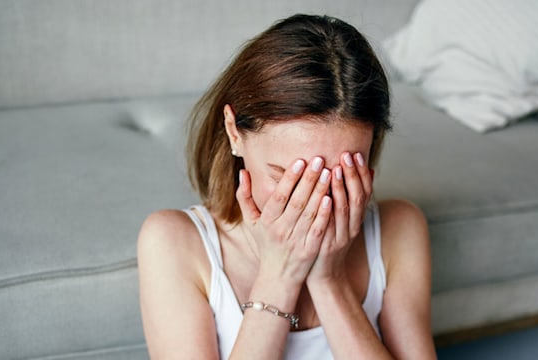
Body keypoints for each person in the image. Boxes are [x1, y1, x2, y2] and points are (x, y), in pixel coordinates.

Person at [137, 14, 436, 359]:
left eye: (338, 177)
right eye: (287, 177)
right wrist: (280, 275)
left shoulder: (400, 228)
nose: (313, 203)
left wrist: (329, 281)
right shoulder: (174, 242)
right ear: (235, 133)